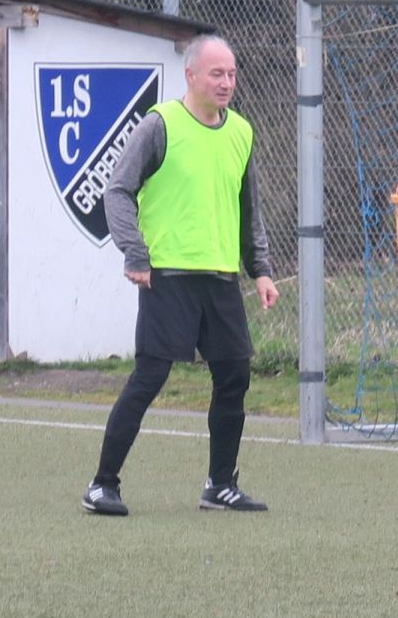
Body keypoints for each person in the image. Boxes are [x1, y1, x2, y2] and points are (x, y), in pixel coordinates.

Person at [81, 34, 279, 516]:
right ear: (191, 76)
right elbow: (117, 191)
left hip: (220, 279)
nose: (226, 82)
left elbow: (247, 210)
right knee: (150, 376)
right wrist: (135, 253)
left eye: (231, 74)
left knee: (234, 375)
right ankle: (102, 485)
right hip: (167, 276)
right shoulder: (160, 124)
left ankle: (220, 486)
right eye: (216, 74)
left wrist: (260, 271)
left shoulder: (241, 132)